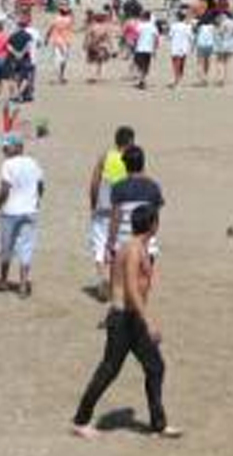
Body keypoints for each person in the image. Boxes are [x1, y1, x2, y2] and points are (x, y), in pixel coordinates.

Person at [71, 203, 180, 439]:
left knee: (155, 367)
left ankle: (158, 425)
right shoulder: (131, 250)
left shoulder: (138, 247)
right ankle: (80, 421)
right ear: (153, 224)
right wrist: (148, 321)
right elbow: (130, 288)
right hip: (123, 320)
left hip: (132, 318)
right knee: (109, 369)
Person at [0, 134, 45, 297]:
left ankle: (3, 280)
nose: (4, 150)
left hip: (11, 211)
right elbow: (41, 184)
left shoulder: (7, 164)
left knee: (6, 246)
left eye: (6, 147)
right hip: (30, 210)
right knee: (26, 247)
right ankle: (22, 284)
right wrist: (37, 200)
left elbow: (5, 189)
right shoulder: (33, 162)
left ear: (17, 147)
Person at [87, 127, 135, 301]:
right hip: (122, 209)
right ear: (130, 142)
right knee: (119, 246)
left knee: (99, 246)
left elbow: (94, 183)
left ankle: (103, 279)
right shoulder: (132, 160)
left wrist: (93, 204)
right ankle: (119, 283)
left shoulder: (105, 157)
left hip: (103, 208)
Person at [110, 145, 166, 263]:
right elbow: (155, 218)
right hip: (147, 245)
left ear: (125, 165)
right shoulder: (153, 187)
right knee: (145, 280)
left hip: (123, 244)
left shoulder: (118, 187)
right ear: (143, 164)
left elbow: (116, 218)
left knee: (123, 280)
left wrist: (110, 242)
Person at [165, 7, 195, 88]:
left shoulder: (174, 26)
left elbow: (169, 36)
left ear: (177, 17)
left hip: (175, 46)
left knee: (175, 64)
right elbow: (191, 37)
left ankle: (176, 79)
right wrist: (192, 47)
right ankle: (179, 79)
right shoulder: (187, 26)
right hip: (184, 47)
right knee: (181, 64)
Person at [47, 3, 75, 84]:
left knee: (57, 59)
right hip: (66, 41)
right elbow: (73, 24)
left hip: (57, 41)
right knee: (64, 60)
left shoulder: (56, 19)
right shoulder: (69, 19)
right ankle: (61, 76)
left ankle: (59, 76)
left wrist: (47, 38)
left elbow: (50, 28)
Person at [133, 12, 159, 89]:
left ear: (144, 17)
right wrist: (155, 48)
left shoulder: (140, 26)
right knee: (145, 65)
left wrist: (134, 44)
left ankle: (142, 80)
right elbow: (156, 38)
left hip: (140, 48)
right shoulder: (153, 26)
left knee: (139, 64)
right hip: (149, 48)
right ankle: (142, 79)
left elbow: (135, 36)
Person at [214, 8, 233, 87]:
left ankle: (220, 78)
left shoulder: (223, 22)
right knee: (227, 63)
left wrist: (217, 31)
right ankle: (224, 78)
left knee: (219, 61)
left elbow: (221, 33)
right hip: (231, 45)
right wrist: (231, 35)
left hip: (223, 44)